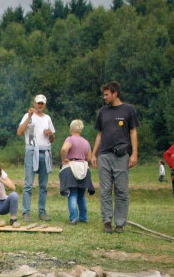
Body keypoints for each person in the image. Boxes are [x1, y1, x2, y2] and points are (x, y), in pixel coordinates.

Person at [91, 81, 139, 234]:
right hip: (104, 155)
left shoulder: (128, 110)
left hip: (121, 155)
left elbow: (133, 132)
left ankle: (120, 223)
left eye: (106, 94)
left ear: (115, 94)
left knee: (121, 190)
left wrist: (134, 153)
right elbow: (99, 134)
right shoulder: (103, 112)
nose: (104, 97)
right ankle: (107, 222)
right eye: (103, 94)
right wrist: (93, 154)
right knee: (105, 190)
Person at [16, 94, 55, 222]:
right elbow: (19, 132)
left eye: (42, 103)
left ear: (44, 105)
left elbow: (53, 139)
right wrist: (29, 117)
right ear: (34, 103)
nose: (39, 105)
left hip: (45, 151)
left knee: (43, 185)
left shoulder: (47, 118)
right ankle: (26, 212)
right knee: (28, 184)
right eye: (38, 103)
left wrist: (50, 134)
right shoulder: (28, 116)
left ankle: (42, 212)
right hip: (32, 151)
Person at [59, 119, 95, 224]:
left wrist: (64, 158)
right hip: (83, 169)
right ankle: (84, 217)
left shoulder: (70, 139)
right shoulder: (86, 142)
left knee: (73, 193)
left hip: (71, 168)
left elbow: (64, 149)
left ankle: (73, 218)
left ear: (71, 129)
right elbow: (88, 157)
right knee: (81, 195)